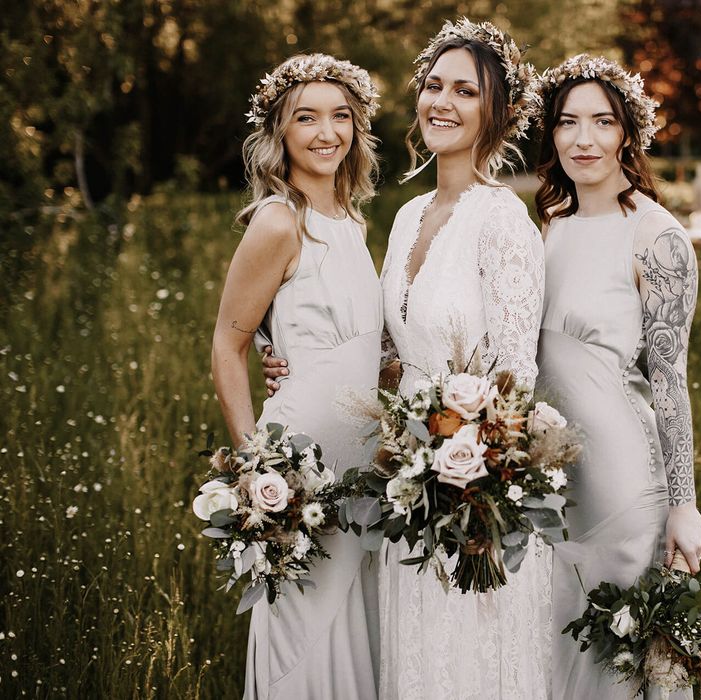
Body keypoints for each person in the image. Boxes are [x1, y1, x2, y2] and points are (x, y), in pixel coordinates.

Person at [264, 18, 552, 699]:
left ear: (497, 112)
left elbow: (517, 374)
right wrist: (295, 360)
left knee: (472, 664)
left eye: (465, 91)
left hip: (473, 495)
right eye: (433, 86)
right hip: (407, 483)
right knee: (415, 664)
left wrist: (479, 491)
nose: (441, 102)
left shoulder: (504, 219)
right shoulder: (407, 215)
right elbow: (389, 351)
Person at [532, 54, 701, 699]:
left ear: (627, 134)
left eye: (601, 123)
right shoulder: (549, 227)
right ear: (550, 133)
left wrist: (684, 505)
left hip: (623, 483)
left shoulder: (656, 237)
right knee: (557, 645)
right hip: (553, 486)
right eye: (568, 123)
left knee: (621, 660)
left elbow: (669, 381)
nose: (584, 140)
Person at [210, 53, 382, 700]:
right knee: (301, 643)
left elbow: (359, 345)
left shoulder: (353, 223)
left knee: (354, 633)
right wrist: (258, 466)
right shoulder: (279, 221)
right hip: (301, 469)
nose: (325, 132)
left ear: (357, 129)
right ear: (280, 131)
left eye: (340, 116)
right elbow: (225, 347)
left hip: (362, 467)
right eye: (305, 117)